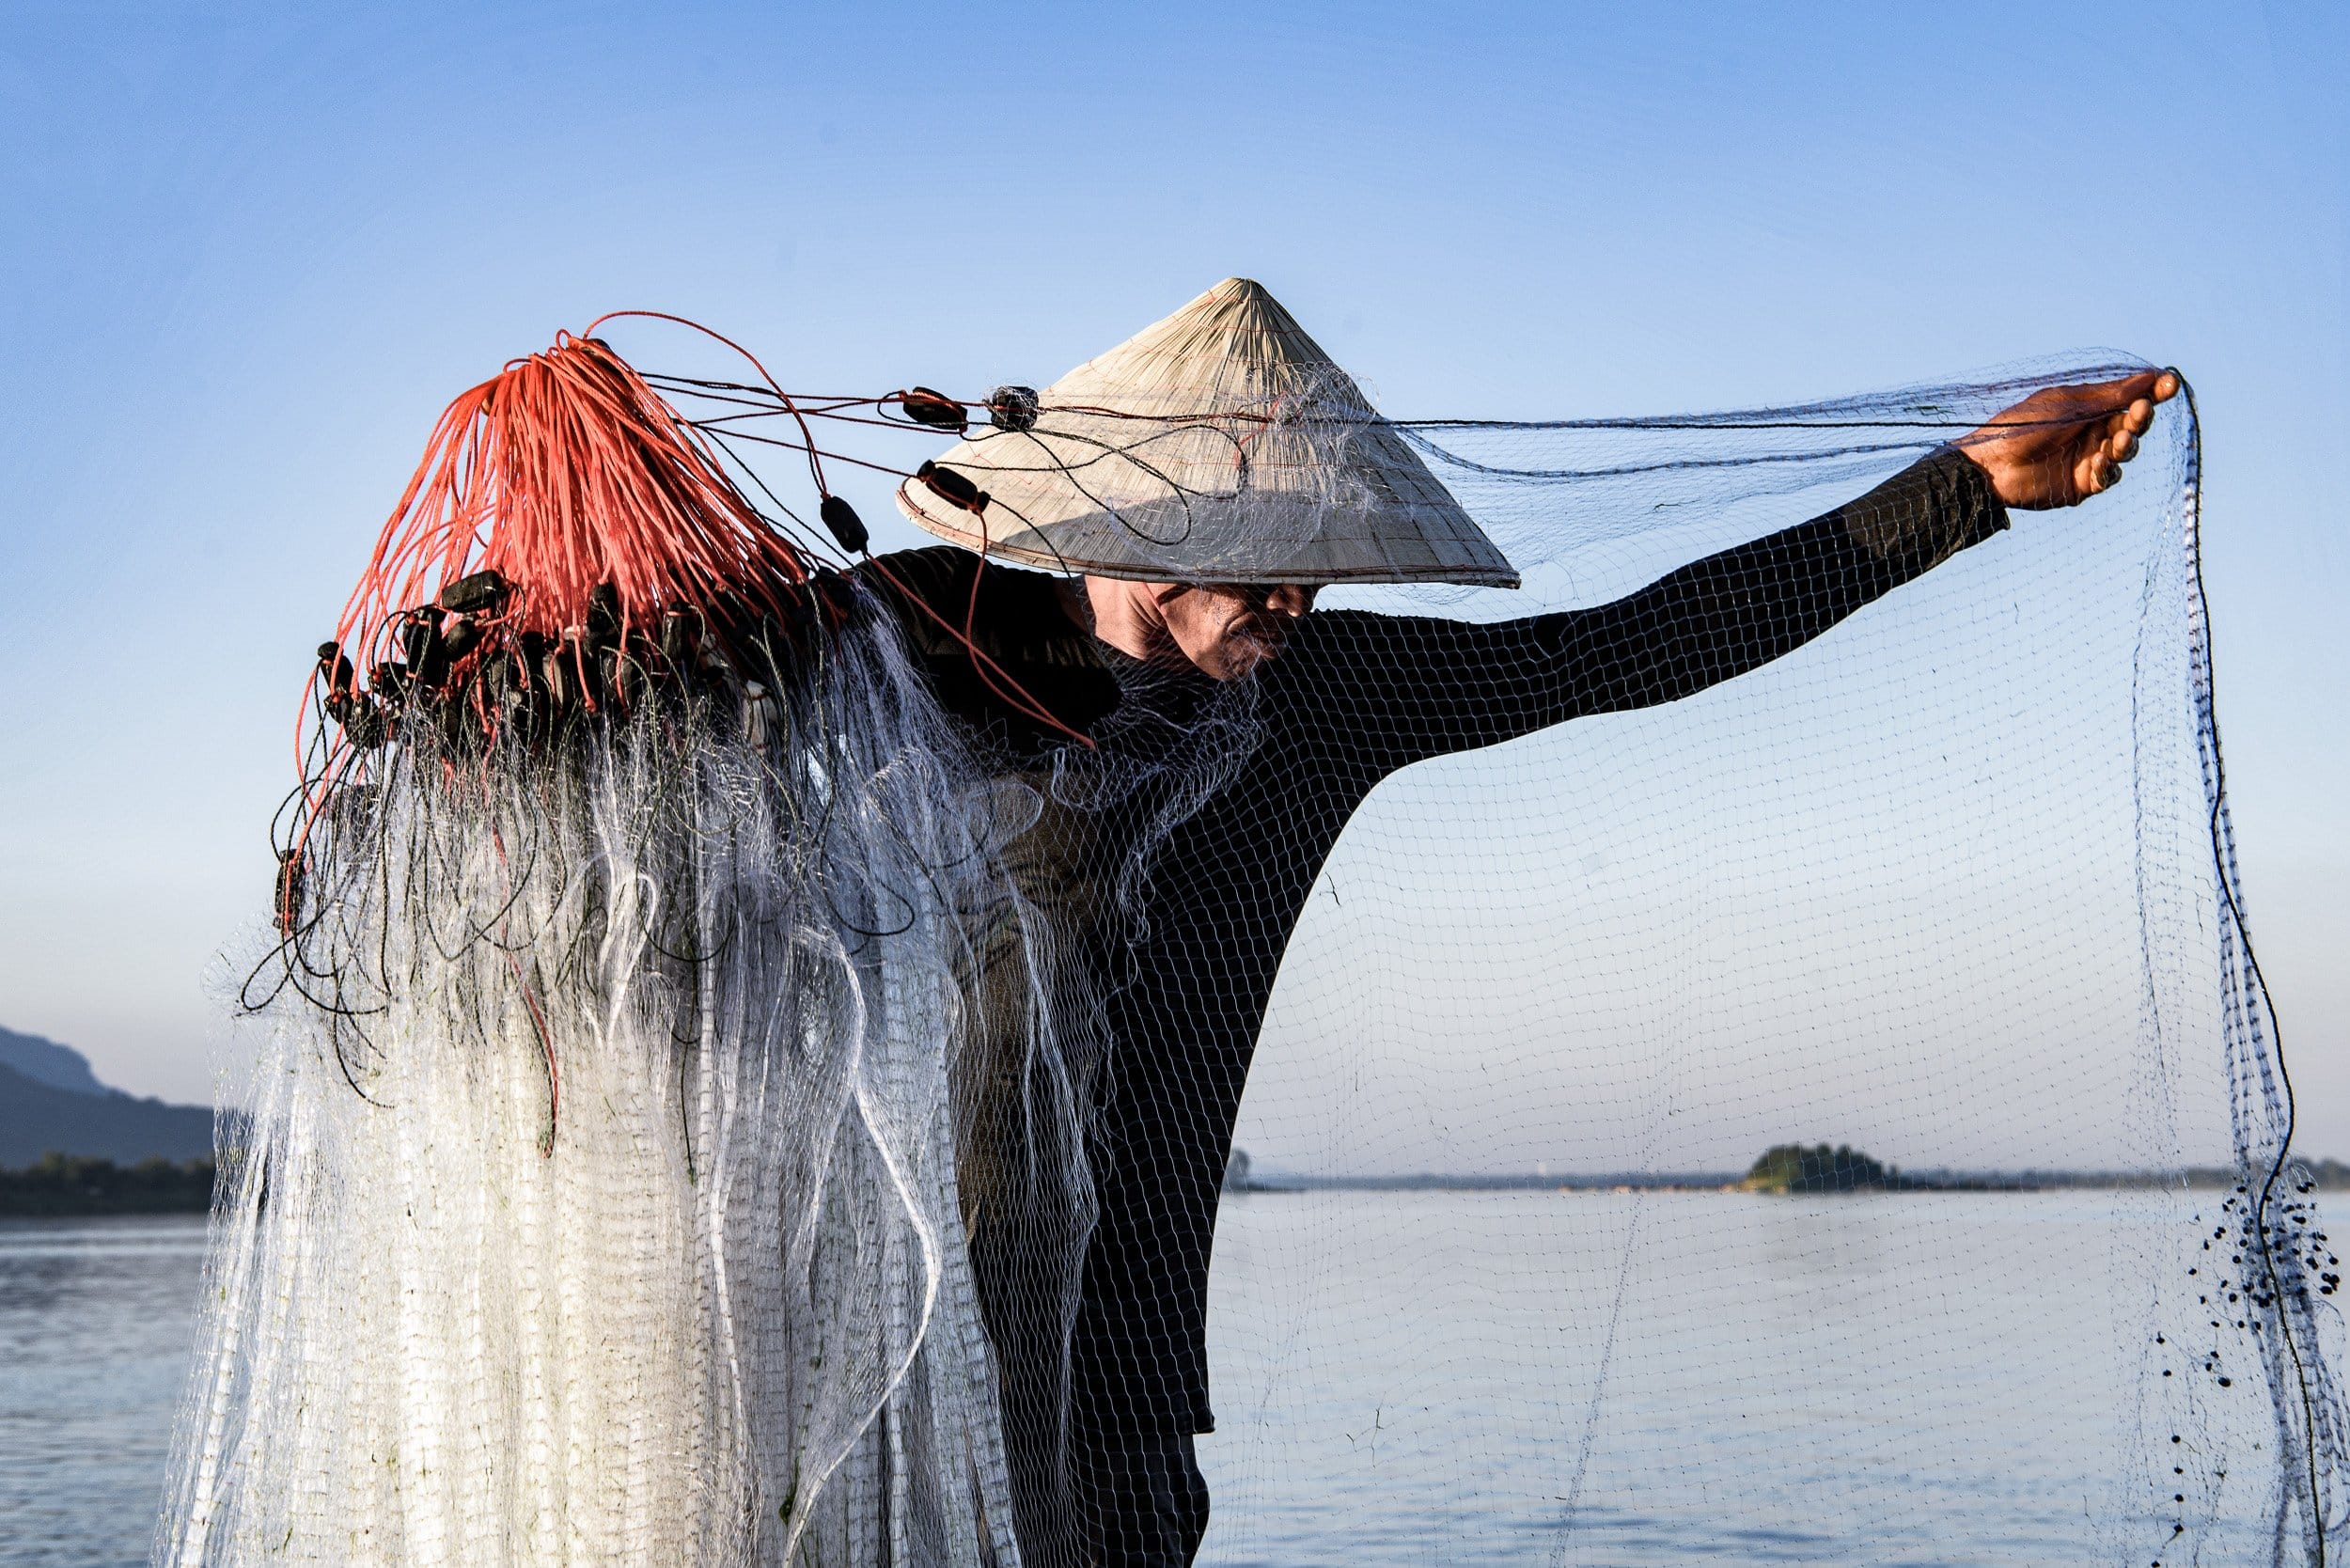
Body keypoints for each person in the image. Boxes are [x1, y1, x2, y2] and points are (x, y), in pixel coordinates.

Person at [853, 282, 2176, 1565]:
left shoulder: (1319, 698)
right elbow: (689, 679)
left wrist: (1962, 491)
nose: (1303, 601)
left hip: (1129, 1361)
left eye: (1322, 566)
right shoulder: (928, 634)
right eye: (1279, 562)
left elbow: (1617, 652)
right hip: (911, 1339)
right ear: (1161, 524)